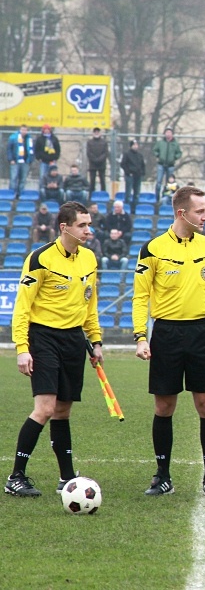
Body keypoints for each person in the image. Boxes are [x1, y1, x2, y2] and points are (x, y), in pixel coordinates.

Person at [132, 185, 205, 497]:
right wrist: (140, 336)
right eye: (200, 211)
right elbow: (140, 298)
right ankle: (162, 475)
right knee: (164, 405)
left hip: (203, 334)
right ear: (182, 213)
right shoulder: (152, 249)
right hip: (166, 333)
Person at [5, 201, 102, 497]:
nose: (88, 230)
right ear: (64, 227)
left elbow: (90, 304)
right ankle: (16, 477)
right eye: (82, 225)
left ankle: (66, 478)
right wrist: (23, 348)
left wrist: (95, 341)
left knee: (62, 411)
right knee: (45, 408)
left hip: (73, 340)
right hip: (43, 338)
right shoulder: (40, 258)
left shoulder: (89, 259)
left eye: (89, 224)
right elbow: (22, 308)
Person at [153, 127, 182, 200]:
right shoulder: (160, 143)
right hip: (161, 164)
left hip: (170, 165)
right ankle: (157, 199)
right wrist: (158, 155)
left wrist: (174, 158)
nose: (168, 134)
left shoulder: (175, 144)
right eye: (167, 132)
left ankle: (166, 198)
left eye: (169, 132)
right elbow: (155, 150)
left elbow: (179, 153)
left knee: (169, 183)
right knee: (159, 182)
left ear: (172, 134)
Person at [7, 124, 34, 197]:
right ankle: (11, 194)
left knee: (23, 179)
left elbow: (31, 150)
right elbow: (9, 149)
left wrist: (30, 160)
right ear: (20, 130)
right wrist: (11, 159)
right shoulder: (13, 137)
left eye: (25, 130)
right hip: (15, 161)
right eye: (22, 130)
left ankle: (20, 194)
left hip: (25, 162)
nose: (24, 131)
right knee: (13, 178)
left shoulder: (29, 139)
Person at [120, 139, 146, 212]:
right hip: (130, 176)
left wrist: (142, 173)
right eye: (134, 145)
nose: (135, 146)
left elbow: (143, 165)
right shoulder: (127, 154)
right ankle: (127, 209)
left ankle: (135, 209)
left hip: (138, 176)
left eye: (136, 145)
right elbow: (123, 164)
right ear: (131, 146)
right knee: (128, 193)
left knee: (136, 193)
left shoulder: (140, 155)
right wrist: (128, 172)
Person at [86, 127, 109, 196]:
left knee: (102, 180)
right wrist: (95, 159)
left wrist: (99, 159)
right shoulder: (89, 142)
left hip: (102, 164)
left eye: (98, 132)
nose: (96, 133)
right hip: (92, 164)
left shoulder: (104, 142)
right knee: (92, 181)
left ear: (100, 133)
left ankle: (103, 195)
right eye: (95, 132)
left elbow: (105, 153)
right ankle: (91, 196)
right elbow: (89, 153)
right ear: (93, 133)